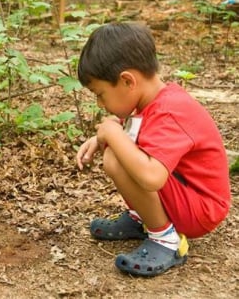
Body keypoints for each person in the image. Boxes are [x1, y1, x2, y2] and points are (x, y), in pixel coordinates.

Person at [75, 22, 231, 277]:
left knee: (116, 156)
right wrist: (103, 136)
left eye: (100, 94)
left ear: (127, 80)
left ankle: (166, 240)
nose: (99, 103)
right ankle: (143, 218)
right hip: (185, 195)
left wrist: (112, 134)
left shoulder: (170, 111)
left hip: (201, 209)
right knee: (119, 149)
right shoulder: (152, 101)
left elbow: (151, 177)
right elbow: (136, 139)